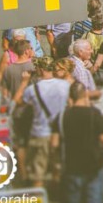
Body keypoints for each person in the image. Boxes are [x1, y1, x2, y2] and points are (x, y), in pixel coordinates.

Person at [52, 81, 103, 203]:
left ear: (71, 97)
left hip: (71, 167)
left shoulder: (62, 116)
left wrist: (56, 165)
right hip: (93, 167)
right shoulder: (94, 114)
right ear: (85, 95)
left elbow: (54, 143)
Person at [17, 58, 72, 188]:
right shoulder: (65, 85)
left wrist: (24, 82)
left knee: (38, 172)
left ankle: (39, 200)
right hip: (59, 132)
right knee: (57, 167)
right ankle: (56, 193)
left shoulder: (32, 89)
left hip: (40, 132)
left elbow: (18, 102)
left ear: (40, 70)